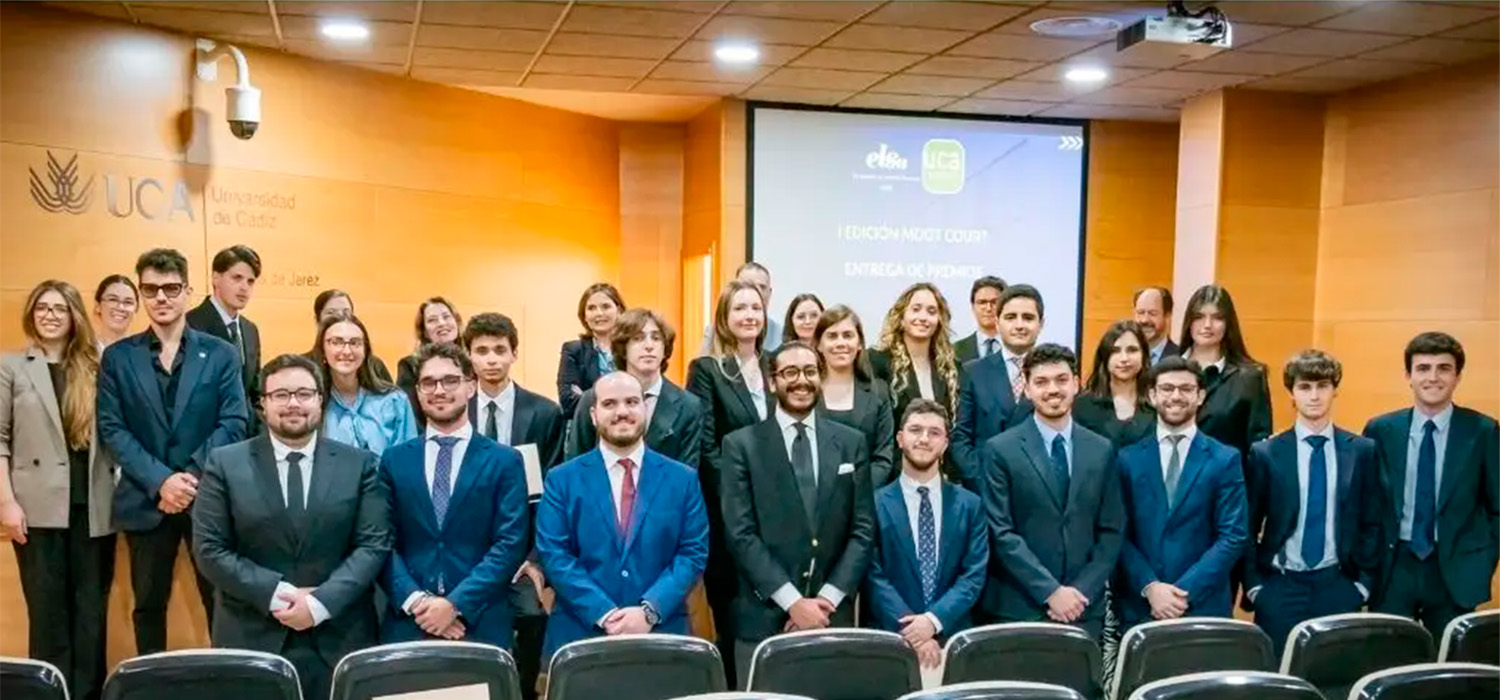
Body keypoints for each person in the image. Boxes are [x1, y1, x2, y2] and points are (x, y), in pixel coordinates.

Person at [192, 355, 391, 700]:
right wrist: (277, 595)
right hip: (252, 636)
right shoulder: (225, 463)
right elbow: (210, 549)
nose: (293, 403)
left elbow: (373, 545)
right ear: (262, 405)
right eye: (281, 395)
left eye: (304, 393)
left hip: (339, 637)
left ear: (320, 400)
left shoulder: (359, 464)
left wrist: (319, 604)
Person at [98, 248, 249, 653]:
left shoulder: (221, 354)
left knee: (221, 602)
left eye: (170, 288)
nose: (161, 297)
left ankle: (232, 682)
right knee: (147, 607)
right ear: (142, 294)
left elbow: (234, 422)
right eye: (151, 289)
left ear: (187, 290)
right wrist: (161, 480)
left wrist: (189, 478)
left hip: (208, 499)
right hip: (146, 500)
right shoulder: (118, 358)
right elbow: (113, 428)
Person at [720, 341, 874, 689]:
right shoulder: (740, 446)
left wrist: (825, 601)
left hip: (832, 618)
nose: (800, 381)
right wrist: (793, 603)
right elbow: (741, 535)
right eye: (790, 372)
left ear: (820, 378)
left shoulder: (852, 443)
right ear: (772, 382)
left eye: (809, 371)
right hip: (763, 620)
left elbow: (862, 530)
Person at [535, 372, 710, 660]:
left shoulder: (683, 479)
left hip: (662, 636)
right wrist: (605, 614)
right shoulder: (561, 479)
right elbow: (554, 553)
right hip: (581, 637)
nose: (622, 412)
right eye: (610, 404)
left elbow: (692, 553)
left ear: (645, 409)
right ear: (593, 415)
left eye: (631, 402)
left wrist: (649, 611)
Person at [1, 281, 116, 700]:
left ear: (74, 317)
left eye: (59, 308)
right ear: (31, 314)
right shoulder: (11, 366)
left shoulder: (96, 366)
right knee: (48, 616)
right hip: (36, 508)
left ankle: (87, 695)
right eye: (42, 308)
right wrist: (6, 502)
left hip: (93, 507)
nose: (50, 315)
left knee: (90, 614)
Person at [380, 343, 530, 647]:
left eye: (450, 380)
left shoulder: (505, 460)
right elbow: (381, 540)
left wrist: (454, 605)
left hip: (480, 621)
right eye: (428, 382)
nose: (439, 390)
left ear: (471, 386)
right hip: (409, 622)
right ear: (418, 392)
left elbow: (510, 543)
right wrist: (419, 603)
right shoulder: (394, 460)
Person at [981, 344, 1125, 642]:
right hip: (1019, 608)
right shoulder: (1000, 450)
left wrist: (1080, 592)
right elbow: (1001, 532)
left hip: (1083, 609)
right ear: (1028, 389)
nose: (1052, 390)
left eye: (1061, 380)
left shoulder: (1102, 449)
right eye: (1041, 382)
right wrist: (1050, 591)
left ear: (1076, 383)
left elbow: (1112, 530)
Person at [1242, 350, 1381, 656]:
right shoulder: (1266, 453)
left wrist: (1363, 585)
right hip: (1280, 586)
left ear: (1335, 390)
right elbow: (1247, 525)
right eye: (1305, 387)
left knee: (1333, 676)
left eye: (1323, 386)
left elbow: (1372, 521)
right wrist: (1254, 586)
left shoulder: (1361, 450)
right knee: (1278, 678)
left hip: (1338, 584)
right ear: (1292, 393)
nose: (1314, 396)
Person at [1363, 332, 1498, 639]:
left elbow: (1496, 506)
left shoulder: (1482, 431)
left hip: (1455, 569)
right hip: (1394, 566)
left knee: (1450, 667)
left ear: (1457, 376)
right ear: (1408, 376)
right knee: (1389, 659)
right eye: (1423, 368)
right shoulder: (1380, 429)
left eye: (1443, 368)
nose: (1433, 377)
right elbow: (1366, 504)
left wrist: (1482, 560)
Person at [462, 312, 565, 700]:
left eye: (500, 350)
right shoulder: (455, 409)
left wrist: (537, 559)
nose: (491, 359)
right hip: (466, 548)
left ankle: (521, 692)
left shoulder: (543, 413)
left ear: (514, 354)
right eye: (482, 351)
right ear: (468, 356)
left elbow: (552, 494)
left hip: (523, 547)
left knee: (532, 618)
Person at [1115, 356, 1248, 629]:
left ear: (1200, 396)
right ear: (1152, 395)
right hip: (1142, 606)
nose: (1176, 396)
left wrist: (1181, 594)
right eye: (1167, 388)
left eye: (1186, 389)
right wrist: (1151, 587)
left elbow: (1233, 535)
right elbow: (1117, 533)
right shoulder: (1126, 459)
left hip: (1203, 607)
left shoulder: (1225, 459)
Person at [685, 278, 772, 680]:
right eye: (739, 308)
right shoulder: (707, 369)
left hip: (779, 509)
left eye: (755, 307)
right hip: (728, 509)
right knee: (731, 608)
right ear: (724, 317)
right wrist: (742, 493)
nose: (749, 315)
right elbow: (707, 445)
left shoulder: (777, 364)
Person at [865, 400, 987, 669]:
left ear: (945, 443)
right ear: (900, 438)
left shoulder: (970, 505)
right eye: (915, 430)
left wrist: (932, 621)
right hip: (890, 641)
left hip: (954, 642)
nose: (924, 439)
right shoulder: (873, 504)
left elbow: (973, 575)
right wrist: (914, 629)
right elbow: (872, 574)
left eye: (934, 433)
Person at [566, 308, 705, 467]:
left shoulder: (688, 405)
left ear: (665, 348)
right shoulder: (593, 398)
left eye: (656, 338)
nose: (649, 346)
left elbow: (687, 474)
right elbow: (575, 465)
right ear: (623, 347)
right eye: (638, 338)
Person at [952, 284, 1043, 490]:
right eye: (1011, 317)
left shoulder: (1054, 373)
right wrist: (983, 479)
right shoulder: (973, 371)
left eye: (1028, 318)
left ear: (1041, 323)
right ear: (997, 322)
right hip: (984, 488)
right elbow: (960, 437)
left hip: (1038, 492)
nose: (1019, 325)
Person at [1179, 285, 1272, 464]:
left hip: (1226, 484)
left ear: (1228, 323)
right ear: (1189, 322)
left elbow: (1257, 450)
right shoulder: (1164, 371)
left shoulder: (1250, 377)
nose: (1207, 325)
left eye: (1217, 318)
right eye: (1199, 317)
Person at [868, 283, 962, 447]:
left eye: (931, 311)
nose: (923, 317)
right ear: (901, 317)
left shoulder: (951, 367)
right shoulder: (877, 360)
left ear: (939, 320)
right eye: (916, 309)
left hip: (941, 465)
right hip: (895, 464)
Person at [313, 314, 418, 458]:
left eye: (355, 343)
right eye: (337, 342)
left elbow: (408, 458)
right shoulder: (313, 403)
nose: (347, 351)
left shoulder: (394, 400)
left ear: (365, 351)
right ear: (323, 350)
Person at [814, 305, 896, 486]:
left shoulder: (879, 392)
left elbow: (883, 457)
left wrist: (860, 496)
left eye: (848, 335)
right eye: (832, 336)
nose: (840, 343)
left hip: (865, 502)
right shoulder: (806, 392)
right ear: (819, 345)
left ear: (859, 344)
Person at [1075, 321, 1156, 448]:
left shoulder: (1157, 405)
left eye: (1132, 350)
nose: (1124, 359)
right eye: (1115, 351)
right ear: (1105, 357)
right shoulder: (1082, 405)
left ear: (1144, 356)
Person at [556, 283, 625, 417]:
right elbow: (568, 403)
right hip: (586, 429)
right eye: (591, 308)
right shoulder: (573, 351)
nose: (599, 313)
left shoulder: (631, 349)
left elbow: (641, 396)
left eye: (606, 306)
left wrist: (585, 396)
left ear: (619, 310)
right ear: (584, 316)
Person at [396, 297, 462, 423]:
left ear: (456, 322)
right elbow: (411, 415)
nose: (442, 323)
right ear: (424, 331)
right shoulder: (410, 366)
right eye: (432, 320)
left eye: (446, 317)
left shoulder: (472, 363)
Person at [700, 262, 782, 355]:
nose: (756, 291)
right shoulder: (713, 333)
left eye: (762, 287)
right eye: (747, 285)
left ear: (769, 293)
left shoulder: (779, 334)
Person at [311, 289, 391, 382]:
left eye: (346, 312)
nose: (340, 317)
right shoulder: (304, 365)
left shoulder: (374, 366)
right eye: (331, 313)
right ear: (317, 320)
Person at [953, 276, 1007, 364]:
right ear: (973, 307)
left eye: (994, 302)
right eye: (982, 302)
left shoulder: (1017, 348)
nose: (988, 308)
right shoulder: (955, 350)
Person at [1133, 286, 1178, 366]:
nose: (1145, 320)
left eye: (1152, 313)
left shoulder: (1181, 358)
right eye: (1140, 312)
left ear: (1167, 316)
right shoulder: (1125, 357)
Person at [93, 274, 138, 349]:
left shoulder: (144, 352)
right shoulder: (83, 352)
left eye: (128, 302)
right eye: (113, 300)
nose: (120, 307)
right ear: (98, 306)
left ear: (136, 308)